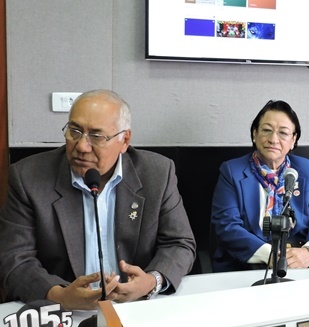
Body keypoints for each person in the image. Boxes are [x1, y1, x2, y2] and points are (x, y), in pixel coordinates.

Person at [0, 89, 196, 310]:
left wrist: (151, 282)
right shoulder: (29, 177)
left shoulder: (157, 173)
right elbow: (14, 259)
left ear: (124, 140)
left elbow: (180, 244)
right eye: (74, 131)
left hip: (138, 306)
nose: (82, 146)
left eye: (96, 136)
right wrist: (60, 296)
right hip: (61, 313)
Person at [211, 100, 309, 272]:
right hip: (246, 264)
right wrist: (270, 254)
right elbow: (227, 226)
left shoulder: (305, 170)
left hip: (299, 264)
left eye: (283, 133)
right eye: (266, 130)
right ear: (254, 134)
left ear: (293, 140)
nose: (273, 139)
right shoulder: (232, 171)